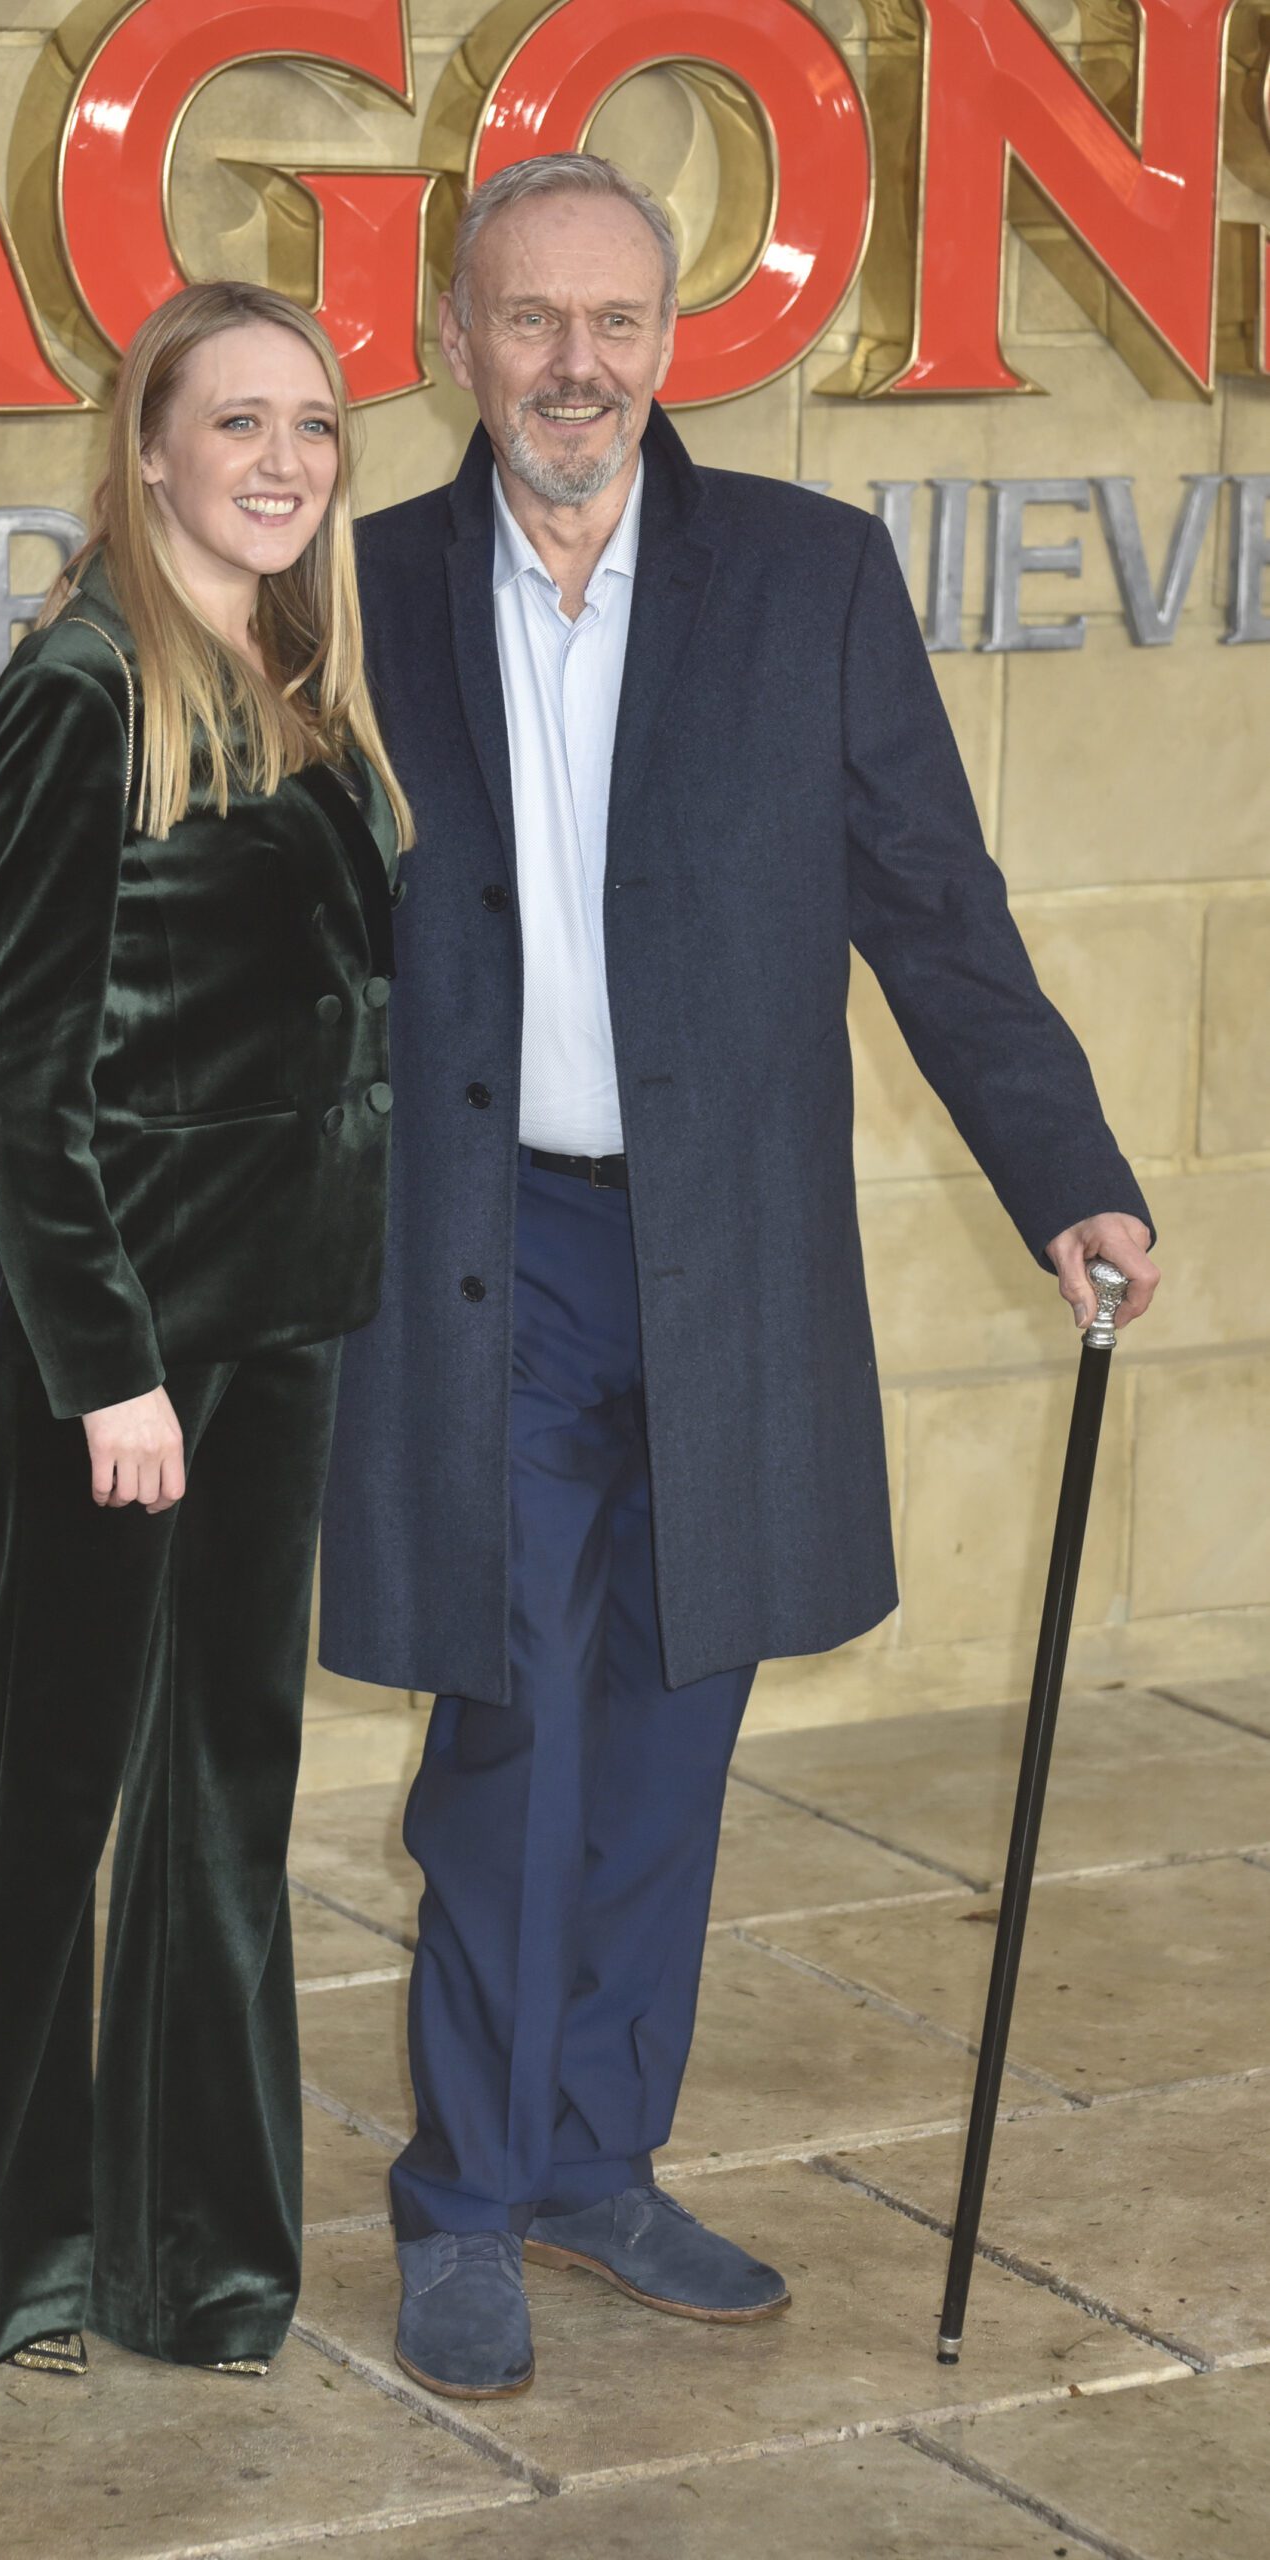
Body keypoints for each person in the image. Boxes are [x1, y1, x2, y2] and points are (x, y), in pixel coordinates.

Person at [316, 153, 1161, 2401]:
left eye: (612, 321)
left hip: (719, 1248)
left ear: (669, 343)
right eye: (527, 321)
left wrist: (1062, 1168)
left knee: (680, 1714)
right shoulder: (361, 582)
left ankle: (600, 2155)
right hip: (478, 1251)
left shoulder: (808, 575)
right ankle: (466, 2197)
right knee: (513, 1724)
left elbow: (932, 899)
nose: (573, 365)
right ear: (453, 339)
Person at [0, 279, 412, 2382]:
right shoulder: (85, 686)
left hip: (276, 1330)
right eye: (238, 424)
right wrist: (108, 1368)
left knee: (225, 1792)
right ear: (154, 447)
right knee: (53, 1780)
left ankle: (195, 2256)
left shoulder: (296, 664)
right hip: (119, 1358)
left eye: (312, 425)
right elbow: (15, 1062)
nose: (280, 460)